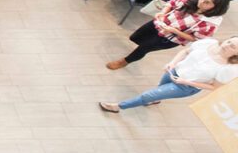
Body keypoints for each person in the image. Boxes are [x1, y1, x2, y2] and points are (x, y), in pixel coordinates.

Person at [100, 37, 238, 112]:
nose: (227, 45)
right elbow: (185, 52)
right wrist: (172, 63)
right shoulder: (209, 43)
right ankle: (155, 99)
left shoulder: (229, 68)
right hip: (173, 72)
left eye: (233, 47)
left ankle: (118, 106)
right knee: (159, 89)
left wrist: (187, 83)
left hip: (185, 86)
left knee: (148, 94)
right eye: (229, 41)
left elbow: (215, 87)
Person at [106, 0, 228, 69]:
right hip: (158, 23)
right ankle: (136, 52)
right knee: (135, 37)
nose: (201, 1)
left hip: (169, 38)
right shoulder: (190, 0)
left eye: (207, 3)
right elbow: (171, 3)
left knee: (144, 48)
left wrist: (174, 31)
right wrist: (162, 12)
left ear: (215, 8)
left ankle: (125, 61)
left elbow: (195, 38)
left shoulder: (209, 23)